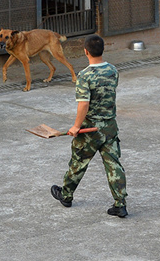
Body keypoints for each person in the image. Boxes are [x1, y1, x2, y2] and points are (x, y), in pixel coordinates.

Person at [51, 34, 128, 217]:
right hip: (109, 126)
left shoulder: (85, 75)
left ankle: (66, 195)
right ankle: (120, 204)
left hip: (90, 129)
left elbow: (84, 104)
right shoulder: (113, 70)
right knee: (114, 166)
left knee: (78, 161)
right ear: (103, 49)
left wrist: (76, 126)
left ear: (86, 52)